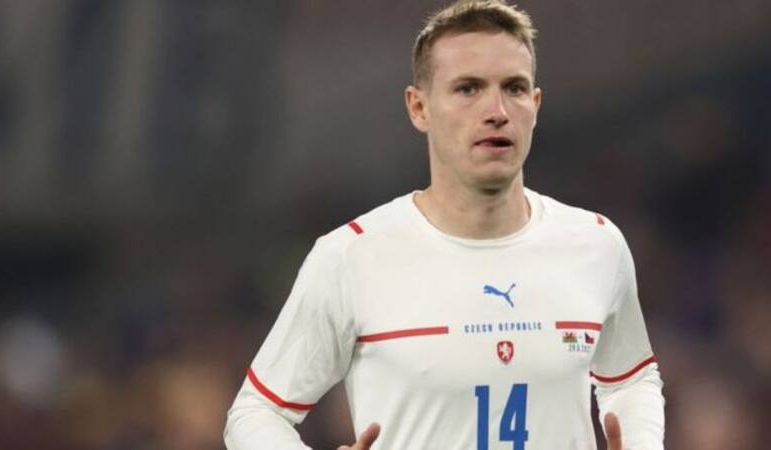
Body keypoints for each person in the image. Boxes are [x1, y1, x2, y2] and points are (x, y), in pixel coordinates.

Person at [224, 1, 665, 449]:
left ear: (535, 105)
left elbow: (632, 379)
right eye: (468, 88)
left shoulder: (595, 243)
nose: (496, 110)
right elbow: (257, 412)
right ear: (419, 107)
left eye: (514, 88)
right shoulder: (351, 256)